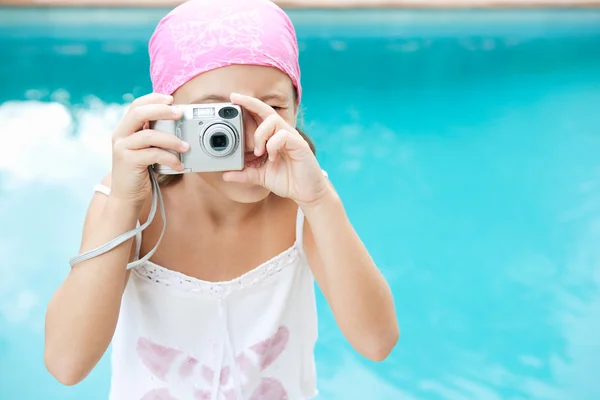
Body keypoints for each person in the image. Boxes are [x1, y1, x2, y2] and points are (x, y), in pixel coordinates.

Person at [44, 0, 398, 398]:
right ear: (167, 116)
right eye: (218, 115)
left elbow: (377, 342)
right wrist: (124, 204)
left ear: (296, 110)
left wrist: (319, 201)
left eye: (271, 107)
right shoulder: (133, 202)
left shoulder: (304, 196)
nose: (247, 136)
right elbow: (66, 364)